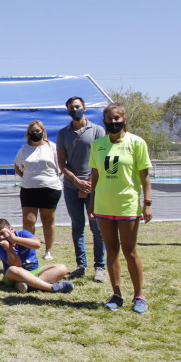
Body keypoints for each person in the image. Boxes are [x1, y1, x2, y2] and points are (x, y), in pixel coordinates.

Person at [89, 102, 153, 314]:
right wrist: (92, 202)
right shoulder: (98, 145)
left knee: (130, 251)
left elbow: (145, 177)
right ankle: (117, 294)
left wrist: (147, 203)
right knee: (111, 250)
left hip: (128, 205)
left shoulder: (137, 143)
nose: (113, 122)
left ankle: (139, 296)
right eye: (109, 119)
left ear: (124, 120)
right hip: (104, 205)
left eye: (117, 118)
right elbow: (95, 175)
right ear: (104, 121)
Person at [56, 96, 108, 282]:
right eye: (71, 108)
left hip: (94, 185)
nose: (74, 110)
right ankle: (81, 265)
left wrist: (89, 184)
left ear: (84, 108)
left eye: (77, 107)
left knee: (97, 227)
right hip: (71, 186)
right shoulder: (63, 133)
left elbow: (101, 160)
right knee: (77, 226)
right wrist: (76, 181)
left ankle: (100, 267)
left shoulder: (97, 130)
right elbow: (62, 163)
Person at [14, 120, 63, 261]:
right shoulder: (24, 149)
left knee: (48, 220)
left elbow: (60, 166)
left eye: (38, 131)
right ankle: (28, 248)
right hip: (29, 189)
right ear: (28, 133)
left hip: (50, 188)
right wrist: (28, 177)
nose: (35, 133)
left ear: (43, 131)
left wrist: (48, 178)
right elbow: (17, 166)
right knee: (29, 220)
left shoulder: (52, 147)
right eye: (32, 131)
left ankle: (49, 250)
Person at [0, 219, 73, 294]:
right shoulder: (1, 246)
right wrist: (8, 248)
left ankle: (28, 286)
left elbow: (37, 244)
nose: (1, 237)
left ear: (11, 229)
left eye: (2, 233)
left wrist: (15, 240)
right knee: (13, 270)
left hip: (34, 271)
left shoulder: (23, 233)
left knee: (62, 268)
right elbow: (17, 264)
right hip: (14, 276)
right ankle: (50, 287)